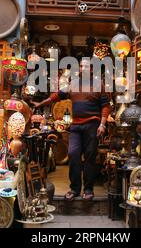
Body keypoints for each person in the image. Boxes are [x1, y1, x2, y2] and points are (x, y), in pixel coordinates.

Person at [32, 59, 111, 200]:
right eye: (81, 66)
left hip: (92, 125)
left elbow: (105, 106)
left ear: (92, 69)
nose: (82, 68)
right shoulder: (73, 84)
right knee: (73, 154)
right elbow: (56, 96)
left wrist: (102, 124)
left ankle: (88, 189)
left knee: (90, 158)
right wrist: (40, 103)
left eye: (85, 66)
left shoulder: (99, 85)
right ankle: (75, 188)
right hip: (76, 126)